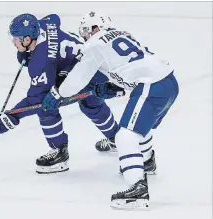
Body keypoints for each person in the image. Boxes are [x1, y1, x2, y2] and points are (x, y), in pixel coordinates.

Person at [42, 11, 179, 209]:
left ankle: (137, 189)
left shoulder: (94, 45)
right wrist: (116, 87)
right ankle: (146, 162)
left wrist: (58, 94)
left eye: (86, 30)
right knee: (140, 127)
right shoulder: (122, 34)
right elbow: (132, 65)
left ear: (95, 28)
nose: (84, 36)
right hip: (168, 81)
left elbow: (77, 79)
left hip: (152, 85)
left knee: (125, 136)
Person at [0, 13, 120, 174]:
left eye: (16, 38)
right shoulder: (43, 25)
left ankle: (59, 153)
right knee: (91, 104)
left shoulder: (40, 61)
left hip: (86, 73)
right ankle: (117, 139)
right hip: (98, 65)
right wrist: (26, 53)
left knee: (46, 105)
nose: (13, 41)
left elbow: (36, 100)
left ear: (27, 39)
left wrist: (11, 116)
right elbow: (54, 17)